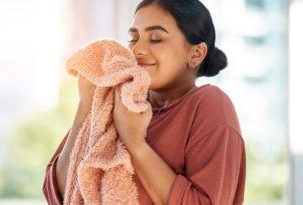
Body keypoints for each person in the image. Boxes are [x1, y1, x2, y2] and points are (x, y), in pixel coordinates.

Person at [43, 0, 246, 204]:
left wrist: (135, 144)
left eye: (156, 38)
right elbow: (59, 194)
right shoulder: (118, 100)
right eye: (133, 38)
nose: (137, 49)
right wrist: (85, 109)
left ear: (196, 54)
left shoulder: (209, 104)